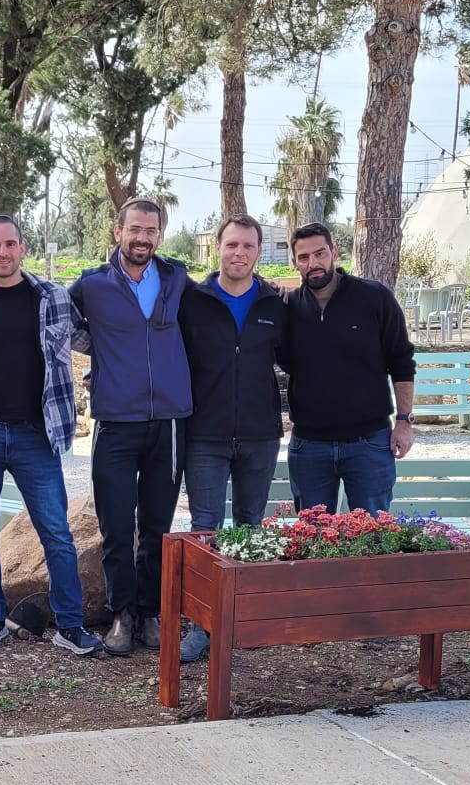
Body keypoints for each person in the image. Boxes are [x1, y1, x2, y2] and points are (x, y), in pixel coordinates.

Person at [0, 215, 101, 656]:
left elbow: (93, 340)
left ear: (23, 248)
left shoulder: (52, 297)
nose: (3, 253)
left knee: (56, 532)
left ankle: (70, 626)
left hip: (37, 434)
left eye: (10, 244)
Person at [69, 198, 192, 657]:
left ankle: (150, 612)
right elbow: (56, 318)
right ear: (117, 230)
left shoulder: (177, 278)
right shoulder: (92, 284)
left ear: (160, 234)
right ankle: (121, 613)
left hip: (170, 421)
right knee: (117, 524)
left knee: (157, 525)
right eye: (134, 229)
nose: (142, 238)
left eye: (151, 230)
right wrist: (97, 356)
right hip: (116, 422)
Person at [176, 214, 287, 663]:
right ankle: (202, 625)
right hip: (204, 434)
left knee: (249, 529)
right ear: (216, 249)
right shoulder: (192, 302)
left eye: (248, 246)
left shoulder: (276, 304)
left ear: (258, 252)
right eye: (231, 244)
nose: (239, 253)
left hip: (260, 435)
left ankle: (245, 620)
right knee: (204, 531)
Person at [278, 222, 416, 513]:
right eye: (304, 257)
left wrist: (404, 421)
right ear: (294, 262)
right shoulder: (287, 307)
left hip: (369, 443)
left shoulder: (374, 297)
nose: (313, 263)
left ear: (334, 253)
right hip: (309, 446)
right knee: (313, 542)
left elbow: (402, 361)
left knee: (373, 538)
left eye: (320, 253)